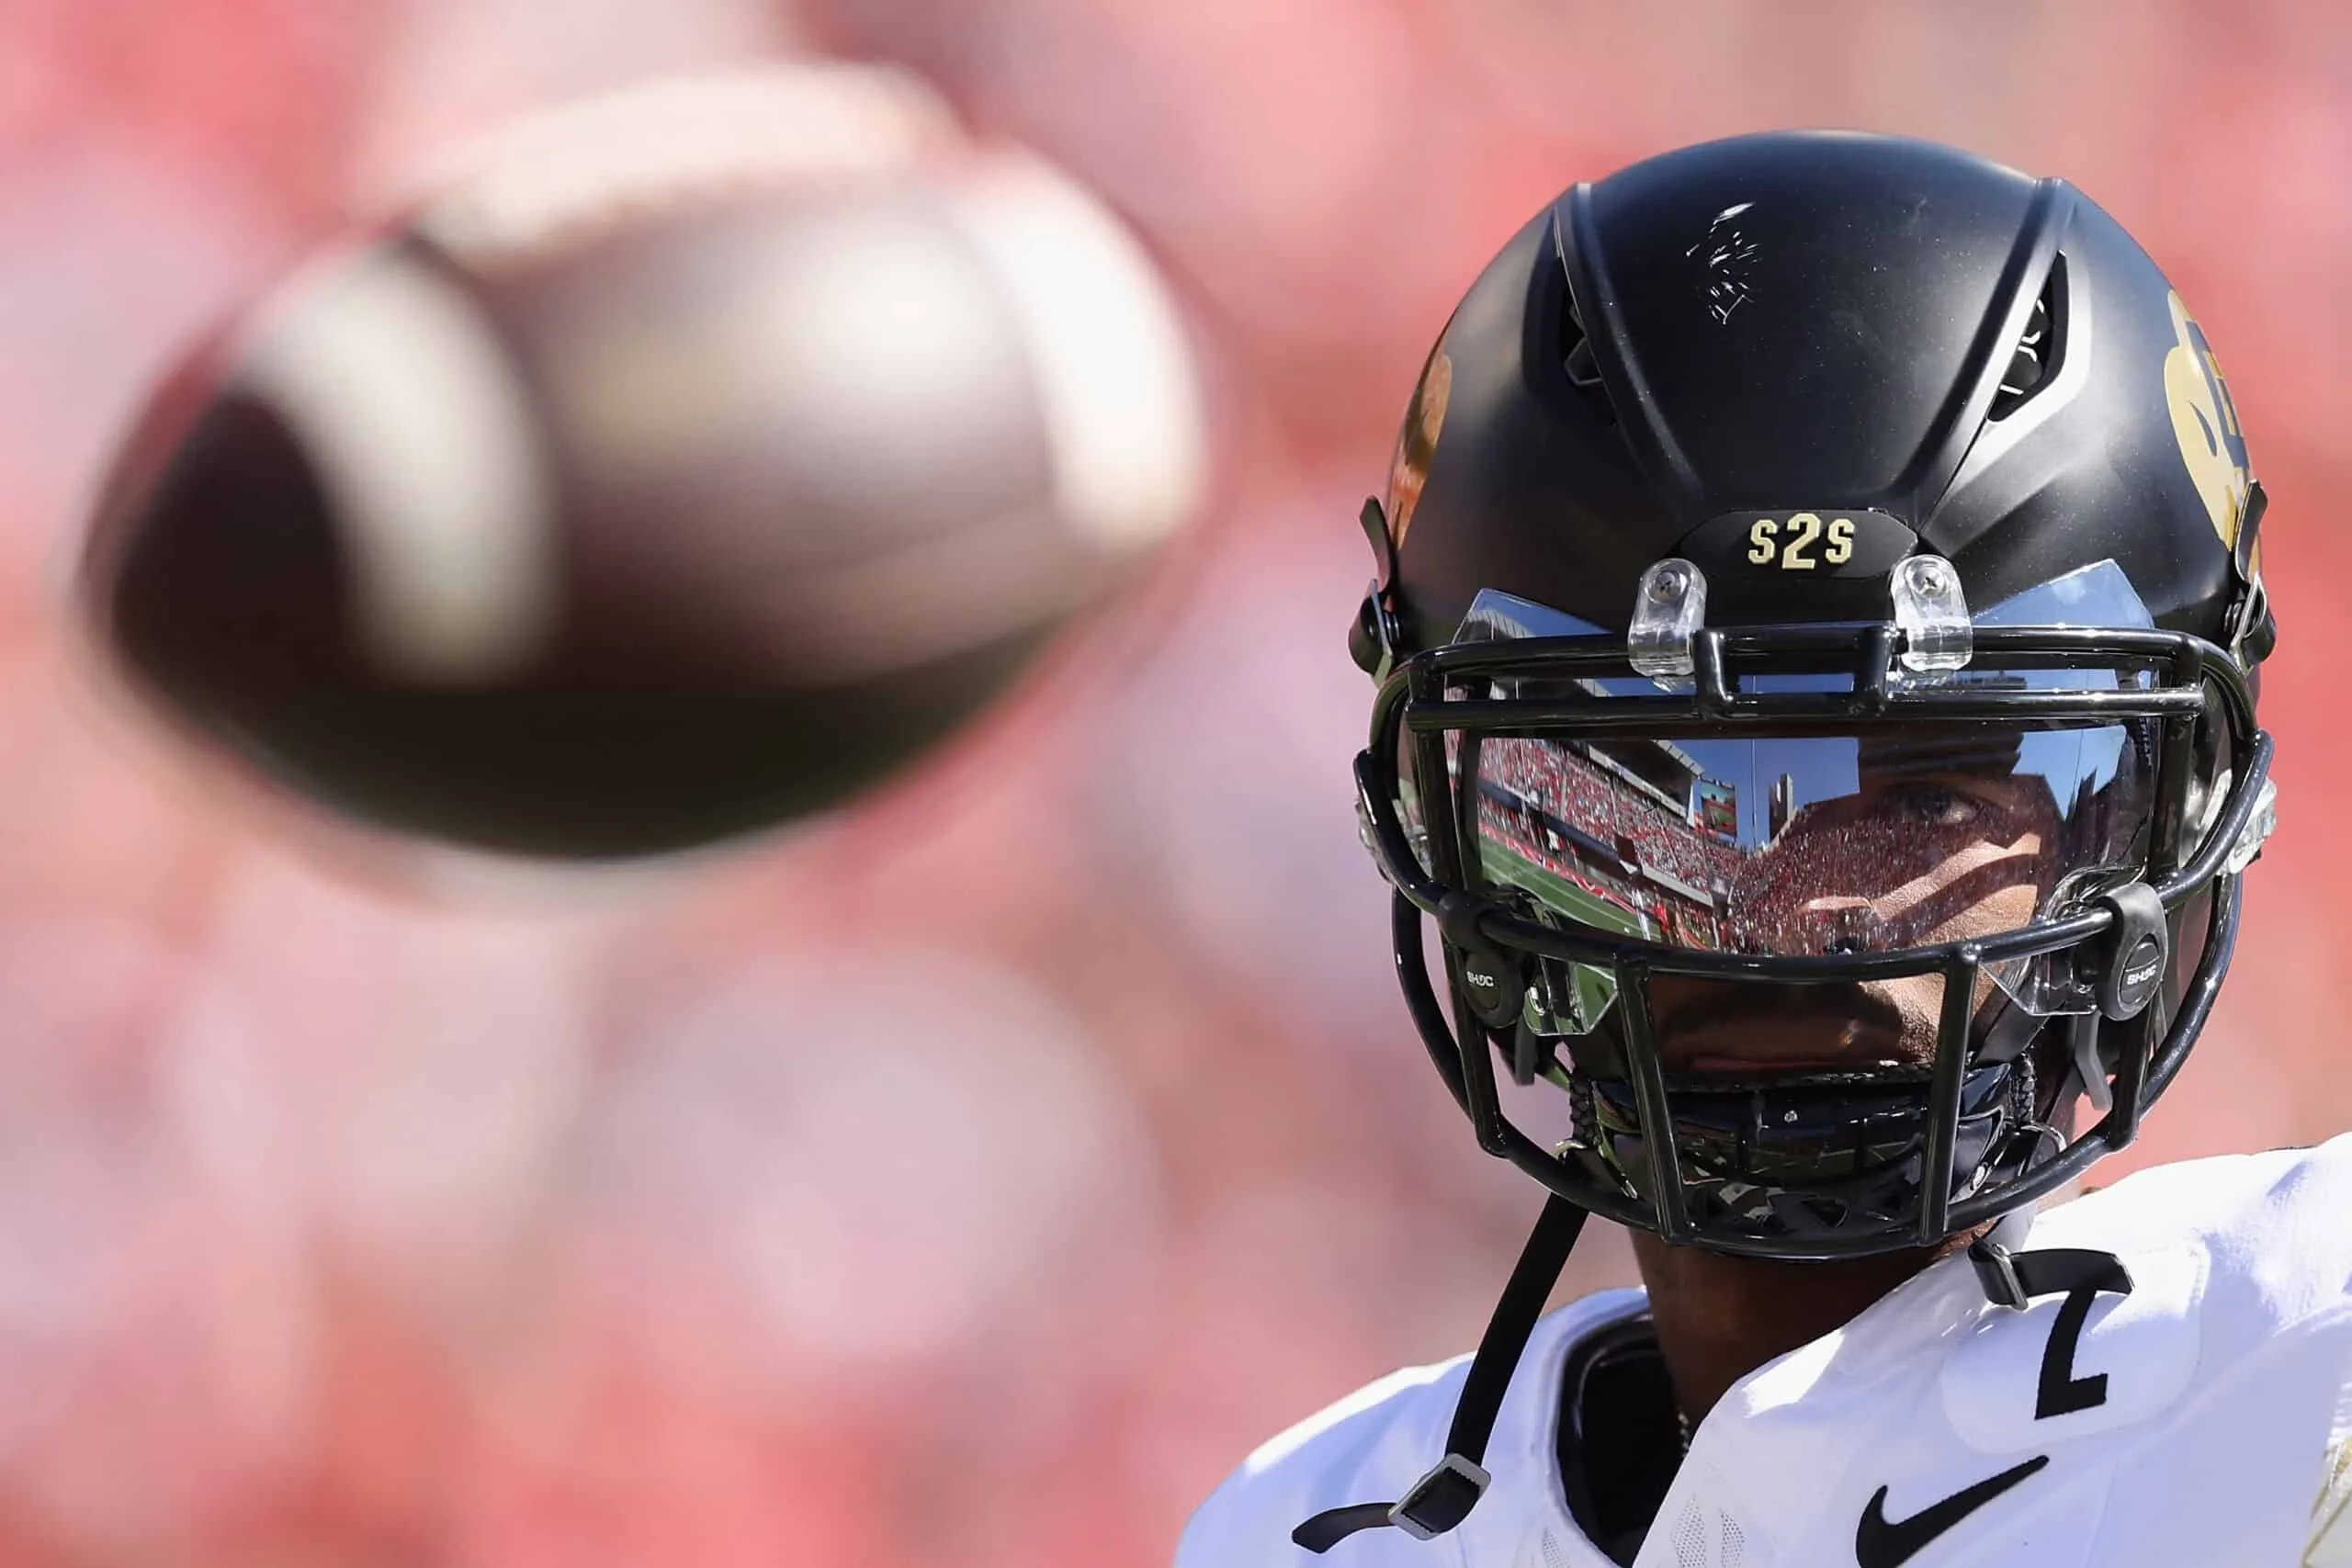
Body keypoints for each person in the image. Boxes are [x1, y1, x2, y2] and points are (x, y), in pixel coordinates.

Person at [1175, 131, 2346, 1567]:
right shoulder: (1310, 1530)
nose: (1796, 910)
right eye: (1667, 791)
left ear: (2156, 813)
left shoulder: (2307, 1361)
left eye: (1921, 792)